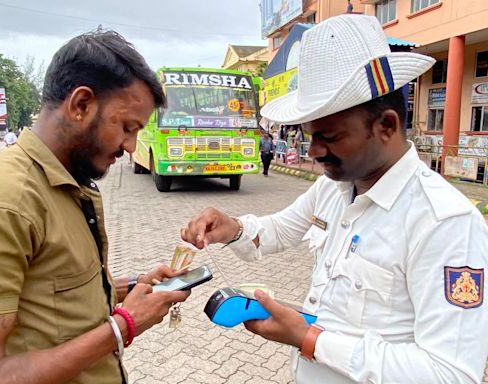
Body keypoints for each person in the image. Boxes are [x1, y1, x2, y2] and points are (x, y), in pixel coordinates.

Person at [181, 14, 488, 384]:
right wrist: (232, 229)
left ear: (386, 126)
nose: (313, 151)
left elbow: (451, 374)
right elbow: (279, 230)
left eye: (329, 136)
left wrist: (310, 339)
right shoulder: (336, 186)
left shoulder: (444, 223)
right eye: (310, 135)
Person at [0, 30, 190, 384]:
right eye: (127, 127)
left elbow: (57, 295)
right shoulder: (6, 203)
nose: (131, 145)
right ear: (81, 105)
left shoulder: (68, 182)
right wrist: (125, 325)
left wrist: (136, 284)